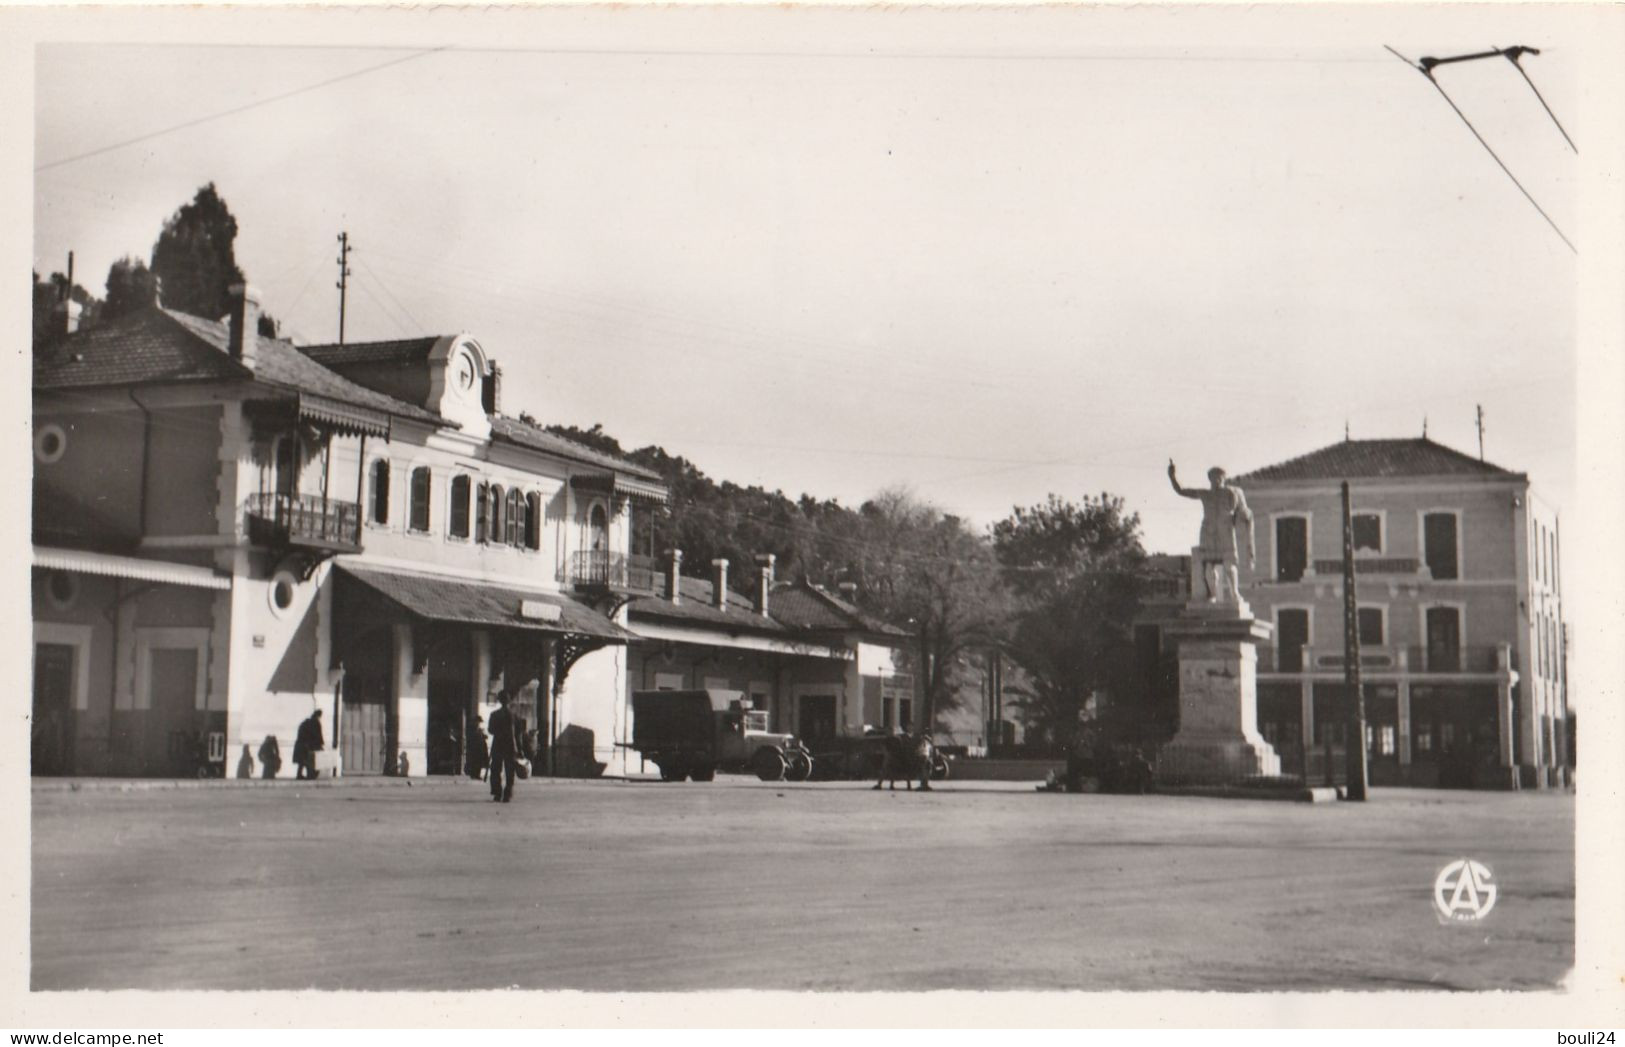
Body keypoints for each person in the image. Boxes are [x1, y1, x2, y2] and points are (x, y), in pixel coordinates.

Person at [1168, 460, 1255, 604]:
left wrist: (1244, 516)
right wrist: (1172, 477)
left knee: (1229, 564)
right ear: (1209, 479)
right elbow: (1182, 491)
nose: (1216, 480)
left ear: (1224, 478)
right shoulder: (1205, 494)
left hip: (1225, 530)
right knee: (1209, 564)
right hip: (1208, 530)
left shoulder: (1233, 492)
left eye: (1219, 477)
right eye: (1213, 477)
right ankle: (1212, 595)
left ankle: (1235, 594)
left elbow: (1244, 511)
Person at [487, 691, 520, 803]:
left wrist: (499, 732)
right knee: (509, 770)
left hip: (498, 744)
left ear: (500, 700)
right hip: (510, 745)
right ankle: (508, 793)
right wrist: (518, 747)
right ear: (509, 701)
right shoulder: (513, 715)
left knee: (496, 769)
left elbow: (490, 730)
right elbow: (516, 733)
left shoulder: (494, 715)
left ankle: (497, 793)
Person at [293, 709, 325, 780]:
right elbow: (318, 734)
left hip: (301, 744)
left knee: (302, 761)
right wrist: (320, 744)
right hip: (309, 745)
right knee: (309, 760)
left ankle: (300, 775)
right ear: (318, 715)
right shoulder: (315, 722)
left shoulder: (305, 723)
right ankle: (309, 775)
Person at [466, 714, 489, 781]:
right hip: (475, 747)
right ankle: (474, 774)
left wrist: (483, 735)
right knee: (475, 762)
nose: (478, 723)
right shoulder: (472, 728)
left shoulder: (478, 729)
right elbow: (473, 737)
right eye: (478, 721)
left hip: (480, 747)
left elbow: (482, 736)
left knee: (479, 762)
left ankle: (477, 774)